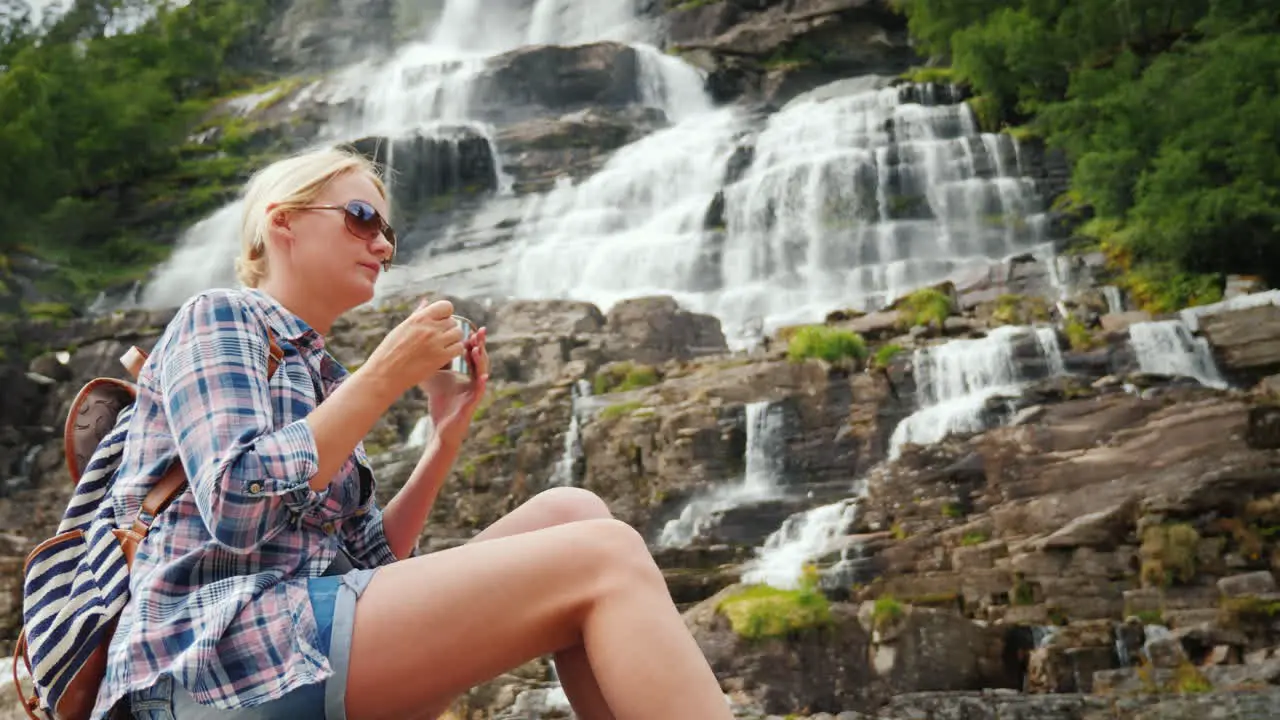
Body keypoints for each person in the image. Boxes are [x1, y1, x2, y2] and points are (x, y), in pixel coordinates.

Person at [93, 147, 733, 720]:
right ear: (281, 220)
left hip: (298, 639)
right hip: (207, 663)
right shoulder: (219, 317)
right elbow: (234, 506)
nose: (384, 246)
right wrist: (384, 375)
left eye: (388, 231)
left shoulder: (324, 376)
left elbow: (372, 567)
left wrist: (442, 440)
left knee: (574, 512)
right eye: (361, 218)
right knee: (604, 555)